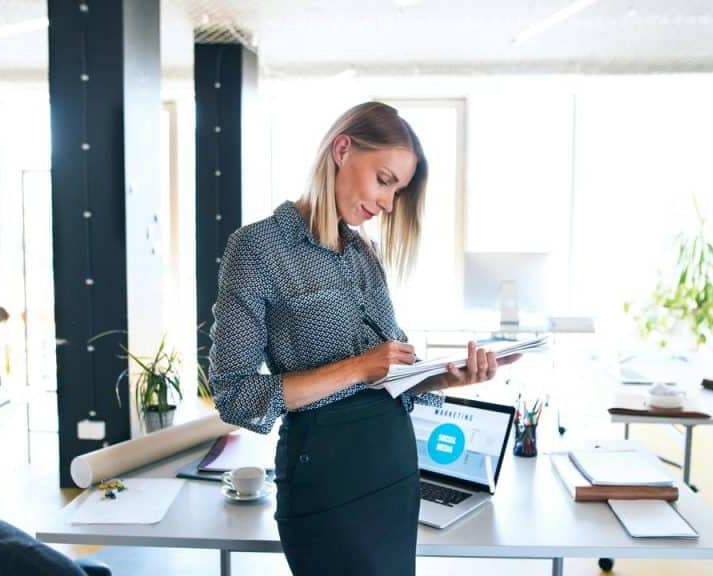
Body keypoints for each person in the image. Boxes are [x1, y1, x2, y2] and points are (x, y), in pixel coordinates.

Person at [208, 101, 516, 576]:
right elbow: (235, 395)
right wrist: (356, 367)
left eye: (399, 190)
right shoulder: (257, 249)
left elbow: (387, 374)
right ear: (342, 149)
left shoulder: (363, 254)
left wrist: (445, 378)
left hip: (393, 472)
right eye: (385, 180)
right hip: (327, 481)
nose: (389, 203)